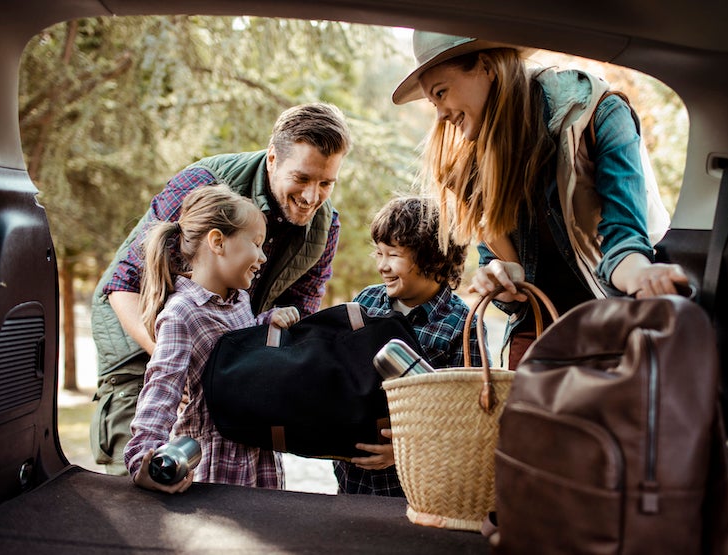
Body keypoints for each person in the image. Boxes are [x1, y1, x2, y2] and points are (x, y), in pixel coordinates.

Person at [392, 31, 689, 369]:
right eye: (434, 104)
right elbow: (507, 272)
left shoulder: (597, 113)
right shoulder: (473, 169)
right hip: (539, 338)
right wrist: (498, 277)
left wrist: (644, 278)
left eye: (441, 93)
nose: (441, 115)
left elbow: (625, 242)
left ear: (486, 67)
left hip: (612, 322)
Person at [91, 102, 352, 474]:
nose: (312, 196)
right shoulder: (203, 182)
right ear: (274, 158)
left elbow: (297, 323)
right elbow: (123, 284)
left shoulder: (325, 229)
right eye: (303, 178)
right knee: (140, 487)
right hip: (142, 346)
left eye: (326, 183)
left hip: (223, 364)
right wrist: (182, 367)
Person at [124, 185, 300, 492]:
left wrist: (265, 322)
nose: (262, 257)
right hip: (216, 464)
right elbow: (161, 390)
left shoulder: (239, 301)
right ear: (218, 241)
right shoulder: (182, 313)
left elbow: (236, 348)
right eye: (256, 244)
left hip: (258, 457)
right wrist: (143, 460)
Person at [333, 195, 488, 497]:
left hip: (415, 487)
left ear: (433, 257)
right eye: (378, 253)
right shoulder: (366, 302)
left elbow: (468, 418)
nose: (382, 266)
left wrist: (402, 452)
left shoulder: (463, 325)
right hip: (352, 482)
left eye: (393, 255)